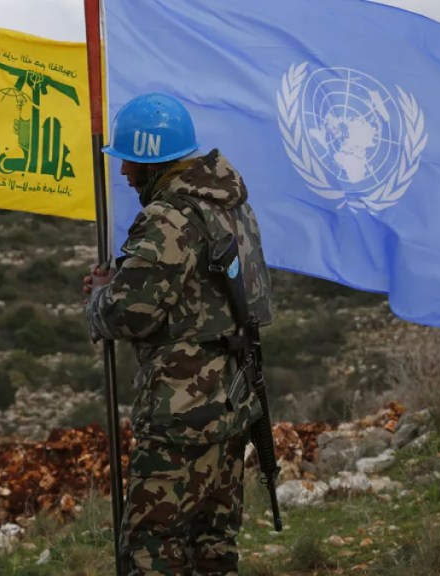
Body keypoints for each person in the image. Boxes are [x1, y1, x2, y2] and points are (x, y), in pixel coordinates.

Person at [83, 93, 273, 575]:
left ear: (151, 161)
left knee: (152, 549)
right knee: (213, 546)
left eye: (129, 161)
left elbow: (129, 315)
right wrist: (124, 279)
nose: (124, 173)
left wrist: (99, 300)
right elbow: (218, 295)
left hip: (180, 413)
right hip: (233, 401)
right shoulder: (232, 208)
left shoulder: (167, 216)